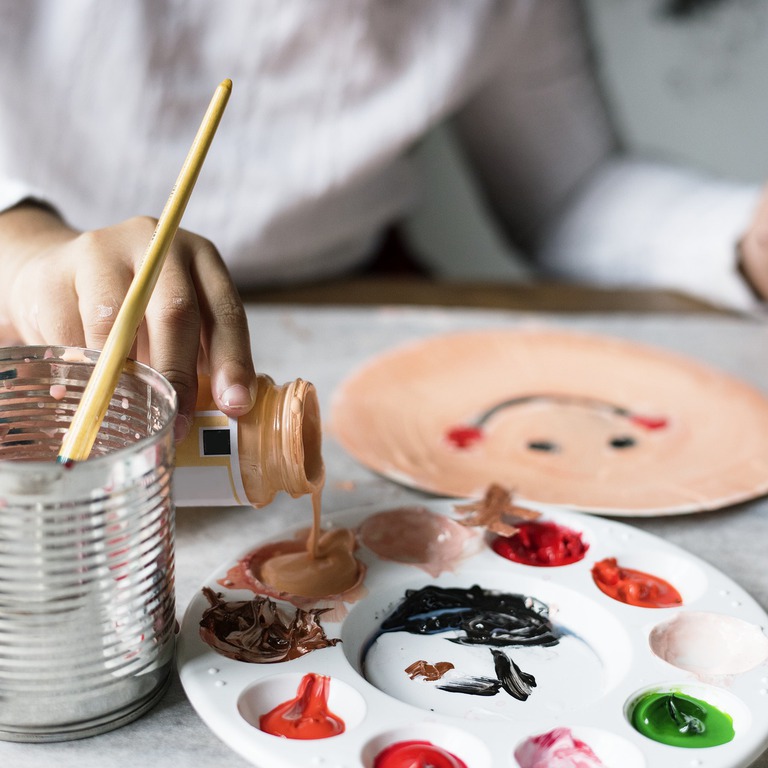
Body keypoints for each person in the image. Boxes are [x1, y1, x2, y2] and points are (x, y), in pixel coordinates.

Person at [0, 0, 764, 440]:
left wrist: (743, 235)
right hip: (40, 313)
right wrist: (27, 248)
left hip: (349, 297)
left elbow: (573, 190)